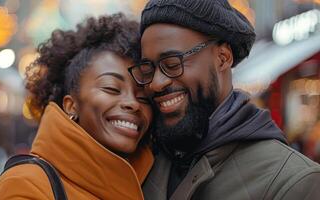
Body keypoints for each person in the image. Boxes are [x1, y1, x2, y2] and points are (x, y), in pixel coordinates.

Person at [127, 0, 320, 199]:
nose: (156, 83)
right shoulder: (142, 161)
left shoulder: (292, 181)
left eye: (172, 64)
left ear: (223, 57)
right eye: (148, 68)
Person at [0, 13, 153, 200]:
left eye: (144, 97)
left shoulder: (151, 181)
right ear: (71, 105)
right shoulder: (26, 186)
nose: (133, 103)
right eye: (112, 88)